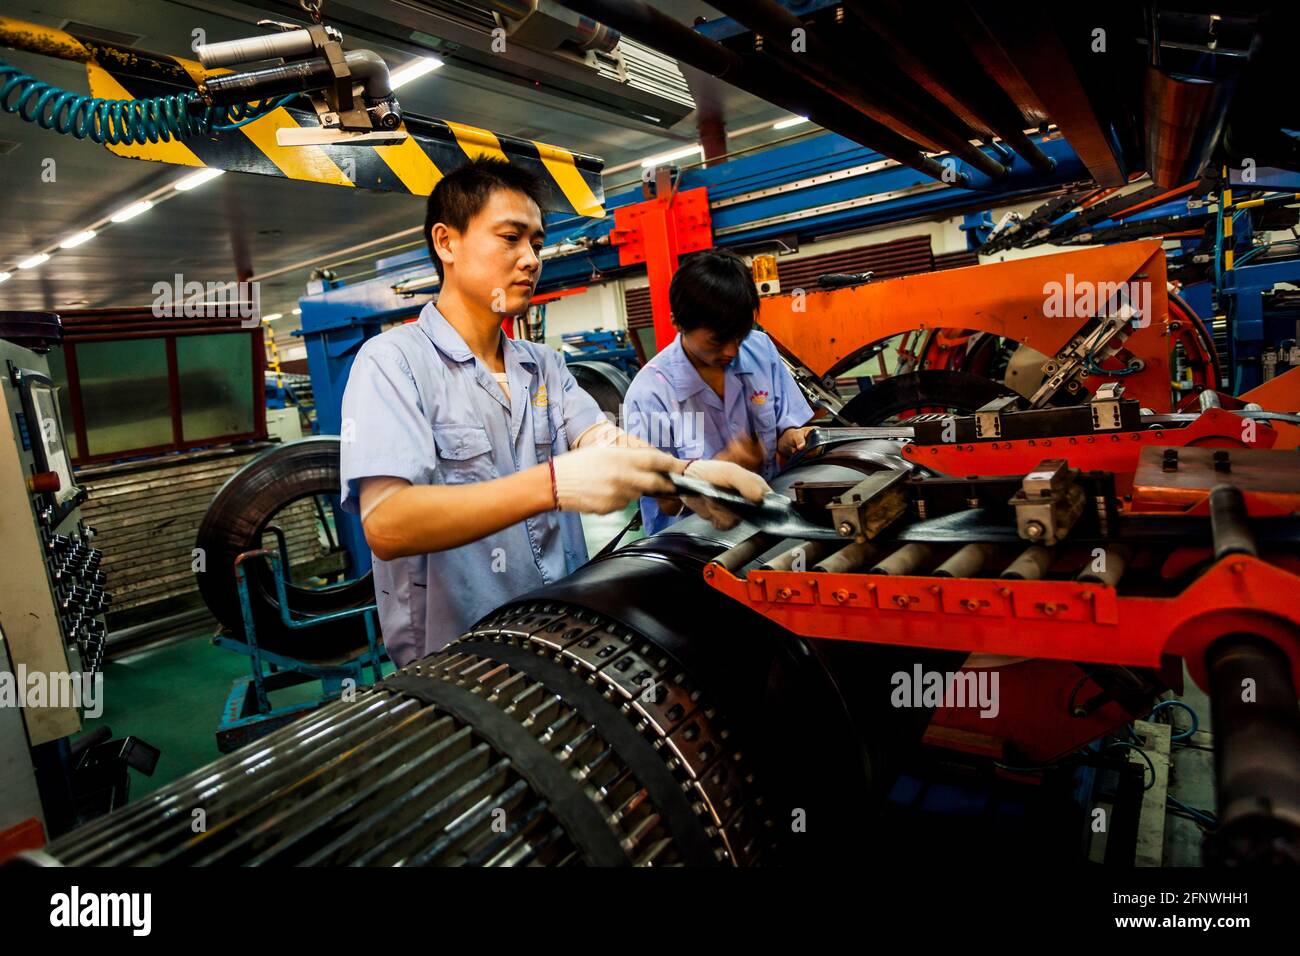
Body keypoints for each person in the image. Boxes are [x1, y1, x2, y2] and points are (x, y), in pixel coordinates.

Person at [339, 158, 767, 666]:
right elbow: (388, 524)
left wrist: (688, 477)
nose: (531, 259)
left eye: (537, 244)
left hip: (561, 637)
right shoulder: (393, 363)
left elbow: (600, 441)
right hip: (460, 659)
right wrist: (552, 485)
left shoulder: (543, 365)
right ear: (446, 242)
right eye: (510, 238)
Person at [623, 249, 816, 535]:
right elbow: (665, 503)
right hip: (693, 542)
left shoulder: (760, 349)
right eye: (717, 340)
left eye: (740, 335)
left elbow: (785, 428)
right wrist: (726, 467)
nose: (732, 351)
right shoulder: (650, 394)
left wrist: (794, 438)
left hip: (769, 527)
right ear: (677, 322)